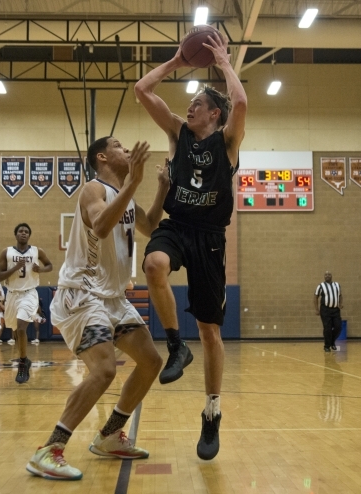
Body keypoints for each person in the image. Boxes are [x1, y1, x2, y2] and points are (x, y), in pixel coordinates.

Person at [134, 31, 247, 461]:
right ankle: (176, 346)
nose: (190, 107)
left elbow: (241, 103)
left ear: (213, 114)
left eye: (197, 104)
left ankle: (212, 410)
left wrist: (223, 62)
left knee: (211, 331)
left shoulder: (228, 142)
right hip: (177, 224)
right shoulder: (178, 135)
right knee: (155, 264)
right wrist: (176, 61)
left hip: (210, 239)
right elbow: (143, 90)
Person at [26, 138, 167, 480]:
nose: (127, 150)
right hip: (82, 294)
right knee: (104, 370)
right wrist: (134, 180)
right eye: (119, 146)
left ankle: (108, 436)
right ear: (102, 157)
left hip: (113, 298)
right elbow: (102, 227)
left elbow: (148, 226)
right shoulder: (93, 188)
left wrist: (161, 188)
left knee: (150, 361)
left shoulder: (124, 196)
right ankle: (50, 449)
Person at [0, 223, 53, 383]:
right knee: (16, 331)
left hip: (29, 293)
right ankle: (24, 358)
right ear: (15, 235)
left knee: (22, 327)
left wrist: (40, 270)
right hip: (12, 294)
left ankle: (22, 362)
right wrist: (15, 268)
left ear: (29, 235)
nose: (23, 233)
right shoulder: (6, 252)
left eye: (26, 232)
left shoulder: (37, 251)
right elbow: (0, 276)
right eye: (21, 231)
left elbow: (49, 265)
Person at [314, 271, 343, 352]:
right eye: (326, 274)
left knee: (338, 327)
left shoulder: (337, 285)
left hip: (336, 310)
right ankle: (327, 346)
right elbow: (315, 297)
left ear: (331, 276)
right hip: (325, 310)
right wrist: (317, 309)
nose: (327, 276)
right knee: (327, 329)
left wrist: (340, 304)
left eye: (329, 274)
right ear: (324, 276)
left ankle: (332, 341)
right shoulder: (321, 286)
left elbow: (340, 295)